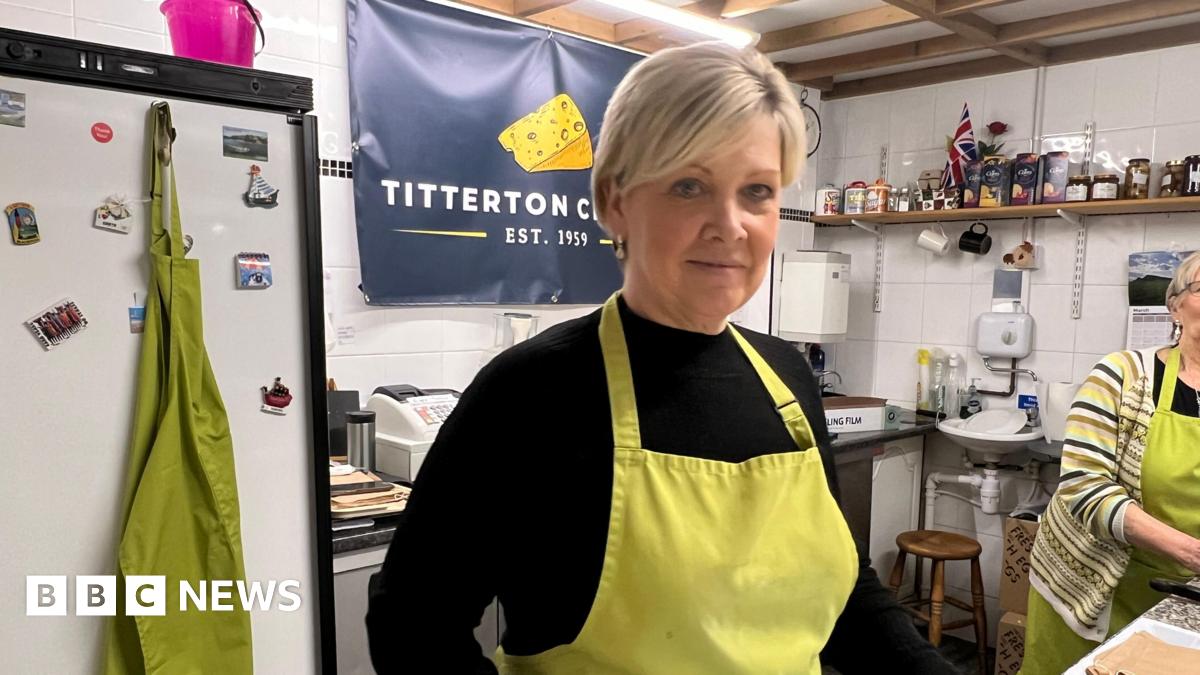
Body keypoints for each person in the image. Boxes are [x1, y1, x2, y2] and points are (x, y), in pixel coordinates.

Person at [366, 42, 955, 674]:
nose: (729, 224)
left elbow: (847, 599)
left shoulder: (786, 377)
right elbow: (413, 626)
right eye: (689, 185)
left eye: (756, 190)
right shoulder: (534, 390)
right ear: (614, 200)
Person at [1022, 250, 1200, 674]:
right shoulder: (1122, 376)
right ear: (1174, 306)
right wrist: (1194, 553)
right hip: (1095, 583)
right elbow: (1084, 487)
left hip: (1186, 591)